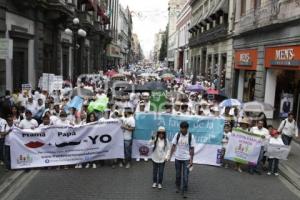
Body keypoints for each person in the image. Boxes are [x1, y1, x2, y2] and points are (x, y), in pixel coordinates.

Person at [168, 121, 195, 198]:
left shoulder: (190, 136)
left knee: (186, 176)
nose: (182, 130)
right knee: (178, 174)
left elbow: (192, 149)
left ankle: (184, 189)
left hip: (186, 159)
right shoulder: (177, 135)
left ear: (187, 128)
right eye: (181, 128)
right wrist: (170, 156)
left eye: (183, 128)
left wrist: (191, 160)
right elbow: (173, 146)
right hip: (177, 158)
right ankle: (177, 186)